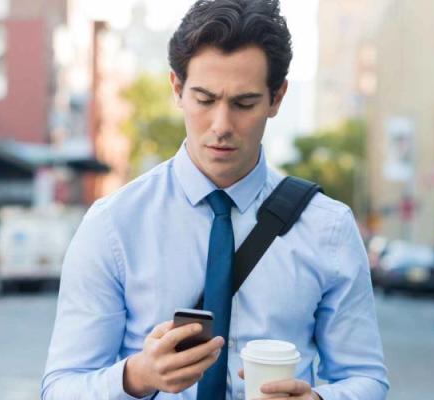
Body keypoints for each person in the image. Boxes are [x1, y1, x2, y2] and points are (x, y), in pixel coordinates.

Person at [41, 1, 388, 399]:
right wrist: (136, 376)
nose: (221, 126)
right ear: (177, 89)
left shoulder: (328, 227)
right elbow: (61, 387)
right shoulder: (113, 224)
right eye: (205, 99)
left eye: (244, 104)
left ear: (277, 98)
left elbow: (366, 378)